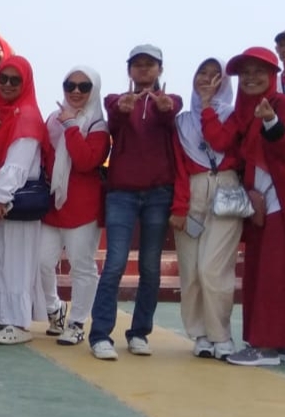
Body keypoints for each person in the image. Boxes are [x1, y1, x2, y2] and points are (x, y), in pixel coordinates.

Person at [206, 47, 285, 367]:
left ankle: (264, 347)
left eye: (259, 71)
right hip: (263, 204)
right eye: (245, 73)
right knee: (274, 272)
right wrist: (206, 104)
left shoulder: (284, 105)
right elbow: (223, 145)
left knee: (273, 274)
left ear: (273, 75)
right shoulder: (243, 112)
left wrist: (271, 121)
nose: (250, 78)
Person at [90, 44, 182, 361]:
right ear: (129, 70)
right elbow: (114, 123)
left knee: (150, 267)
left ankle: (140, 332)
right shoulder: (115, 100)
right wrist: (121, 110)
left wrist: (165, 108)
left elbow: (171, 117)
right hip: (122, 194)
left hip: (159, 193)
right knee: (114, 264)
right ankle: (100, 335)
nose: (143, 69)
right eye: (138, 64)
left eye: (150, 64)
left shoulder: (172, 101)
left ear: (160, 70)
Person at [171, 58, 242, 359]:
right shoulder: (182, 122)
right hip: (193, 192)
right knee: (190, 270)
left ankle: (220, 335)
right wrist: (179, 206)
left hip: (226, 190)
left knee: (213, 269)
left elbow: (219, 140)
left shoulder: (234, 116)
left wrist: (208, 106)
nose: (207, 80)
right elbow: (178, 166)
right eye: (202, 73)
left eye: (216, 76)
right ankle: (199, 334)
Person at [0, 55, 50, 346]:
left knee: (16, 261)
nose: (7, 85)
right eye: (3, 79)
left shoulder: (27, 115)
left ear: (26, 83)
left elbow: (19, 162)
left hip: (14, 198)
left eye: (15, 80)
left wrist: (0, 196)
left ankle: (17, 321)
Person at [39, 66, 110, 347]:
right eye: (70, 86)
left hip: (83, 208)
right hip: (53, 206)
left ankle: (77, 322)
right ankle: (55, 308)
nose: (76, 91)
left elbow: (85, 161)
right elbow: (44, 157)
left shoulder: (98, 126)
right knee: (41, 262)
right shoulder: (52, 120)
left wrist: (71, 127)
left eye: (84, 86)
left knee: (82, 267)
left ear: (94, 90)